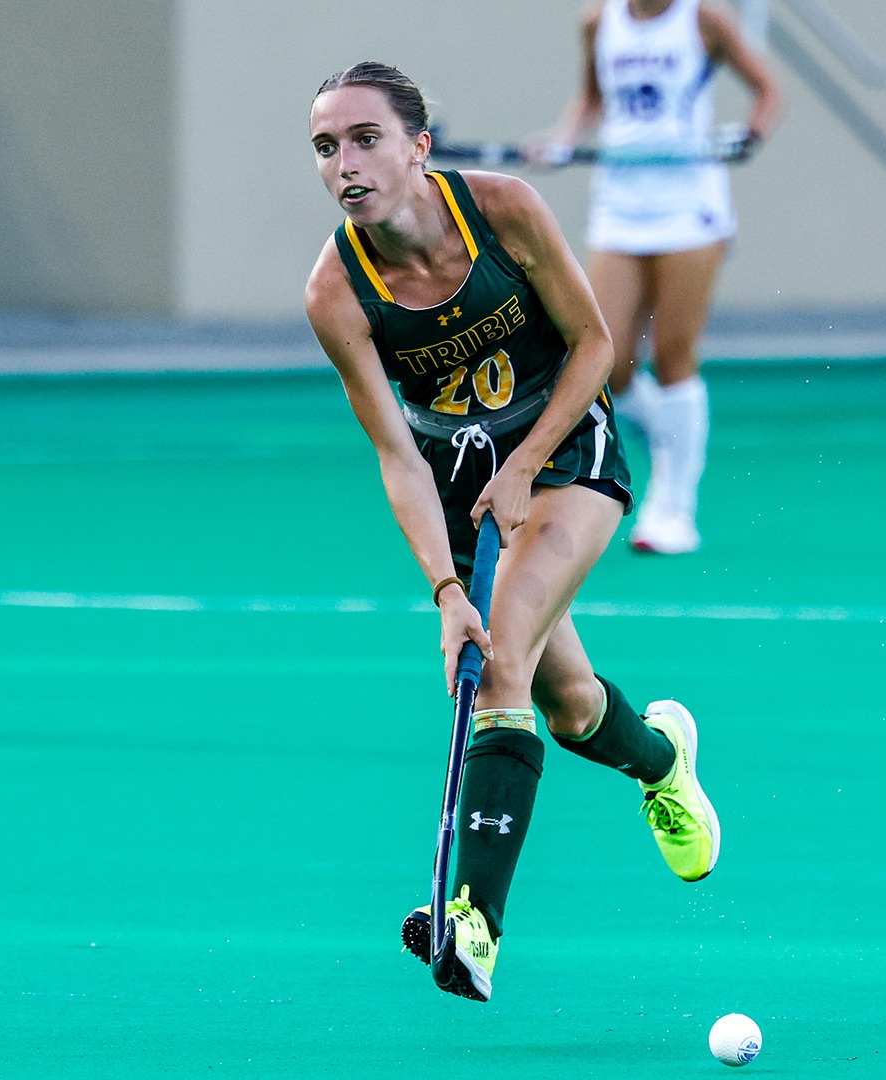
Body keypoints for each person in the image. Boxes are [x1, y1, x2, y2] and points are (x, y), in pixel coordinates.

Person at [304, 63, 719, 1002]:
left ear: (417, 146)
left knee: (500, 671)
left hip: (566, 447)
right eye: (327, 147)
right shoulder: (336, 292)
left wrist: (528, 461)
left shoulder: (503, 211)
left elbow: (596, 343)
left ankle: (475, 924)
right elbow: (398, 457)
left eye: (365, 139)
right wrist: (447, 593)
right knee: (567, 704)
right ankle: (662, 759)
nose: (345, 163)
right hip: (459, 487)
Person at [538, 0, 781, 554]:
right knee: (605, 362)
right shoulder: (599, 23)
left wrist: (749, 136)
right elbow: (593, 99)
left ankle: (675, 506)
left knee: (674, 356)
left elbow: (769, 91)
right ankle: (670, 446)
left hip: (689, 207)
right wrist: (563, 139)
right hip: (620, 208)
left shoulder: (704, 19)